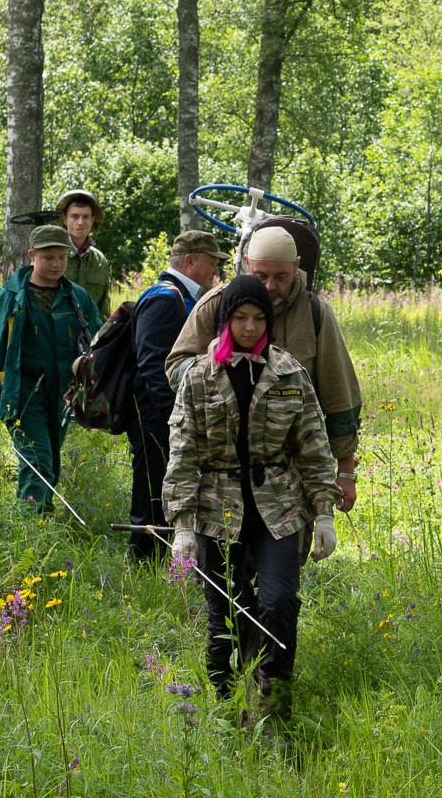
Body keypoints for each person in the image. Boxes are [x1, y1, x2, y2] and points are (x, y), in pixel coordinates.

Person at [164, 275, 340, 716]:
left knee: (279, 600)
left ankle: (274, 703)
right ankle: (224, 707)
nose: (249, 327)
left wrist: (323, 513)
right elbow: (182, 450)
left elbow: (313, 444)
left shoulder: (287, 372)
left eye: (259, 318)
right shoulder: (200, 377)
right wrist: (183, 527)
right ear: (225, 321)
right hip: (215, 507)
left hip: (277, 506)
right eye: (240, 318)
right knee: (222, 611)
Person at [166, 225, 364, 513]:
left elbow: (340, 397)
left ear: (296, 266)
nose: (270, 286)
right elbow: (174, 369)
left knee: (288, 554)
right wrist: (208, 363)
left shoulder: (315, 314)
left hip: (291, 472)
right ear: (247, 264)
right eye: (262, 276)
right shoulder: (217, 305)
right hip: (221, 472)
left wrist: (345, 471)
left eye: (281, 276)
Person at [0, 224, 102, 511]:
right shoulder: (9, 298)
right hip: (22, 395)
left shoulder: (77, 297)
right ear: (32, 255)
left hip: (62, 396)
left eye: (62, 257)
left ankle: (41, 524)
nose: (57, 264)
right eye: (49, 257)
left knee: (52, 465)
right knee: (37, 461)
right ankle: (28, 532)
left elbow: (97, 339)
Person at [125, 229, 226, 561]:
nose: (216, 272)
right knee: (152, 490)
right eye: (212, 263)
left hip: (169, 414)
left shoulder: (186, 298)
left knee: (171, 487)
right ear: (189, 261)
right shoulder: (164, 299)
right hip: (155, 416)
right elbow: (153, 366)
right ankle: (142, 562)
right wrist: (174, 418)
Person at [57, 189, 113, 318]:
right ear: (65, 219)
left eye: (86, 217)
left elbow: (103, 309)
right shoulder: (51, 254)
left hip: (89, 335)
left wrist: (104, 336)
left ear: (92, 220)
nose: (81, 222)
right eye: (75, 216)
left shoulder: (99, 260)